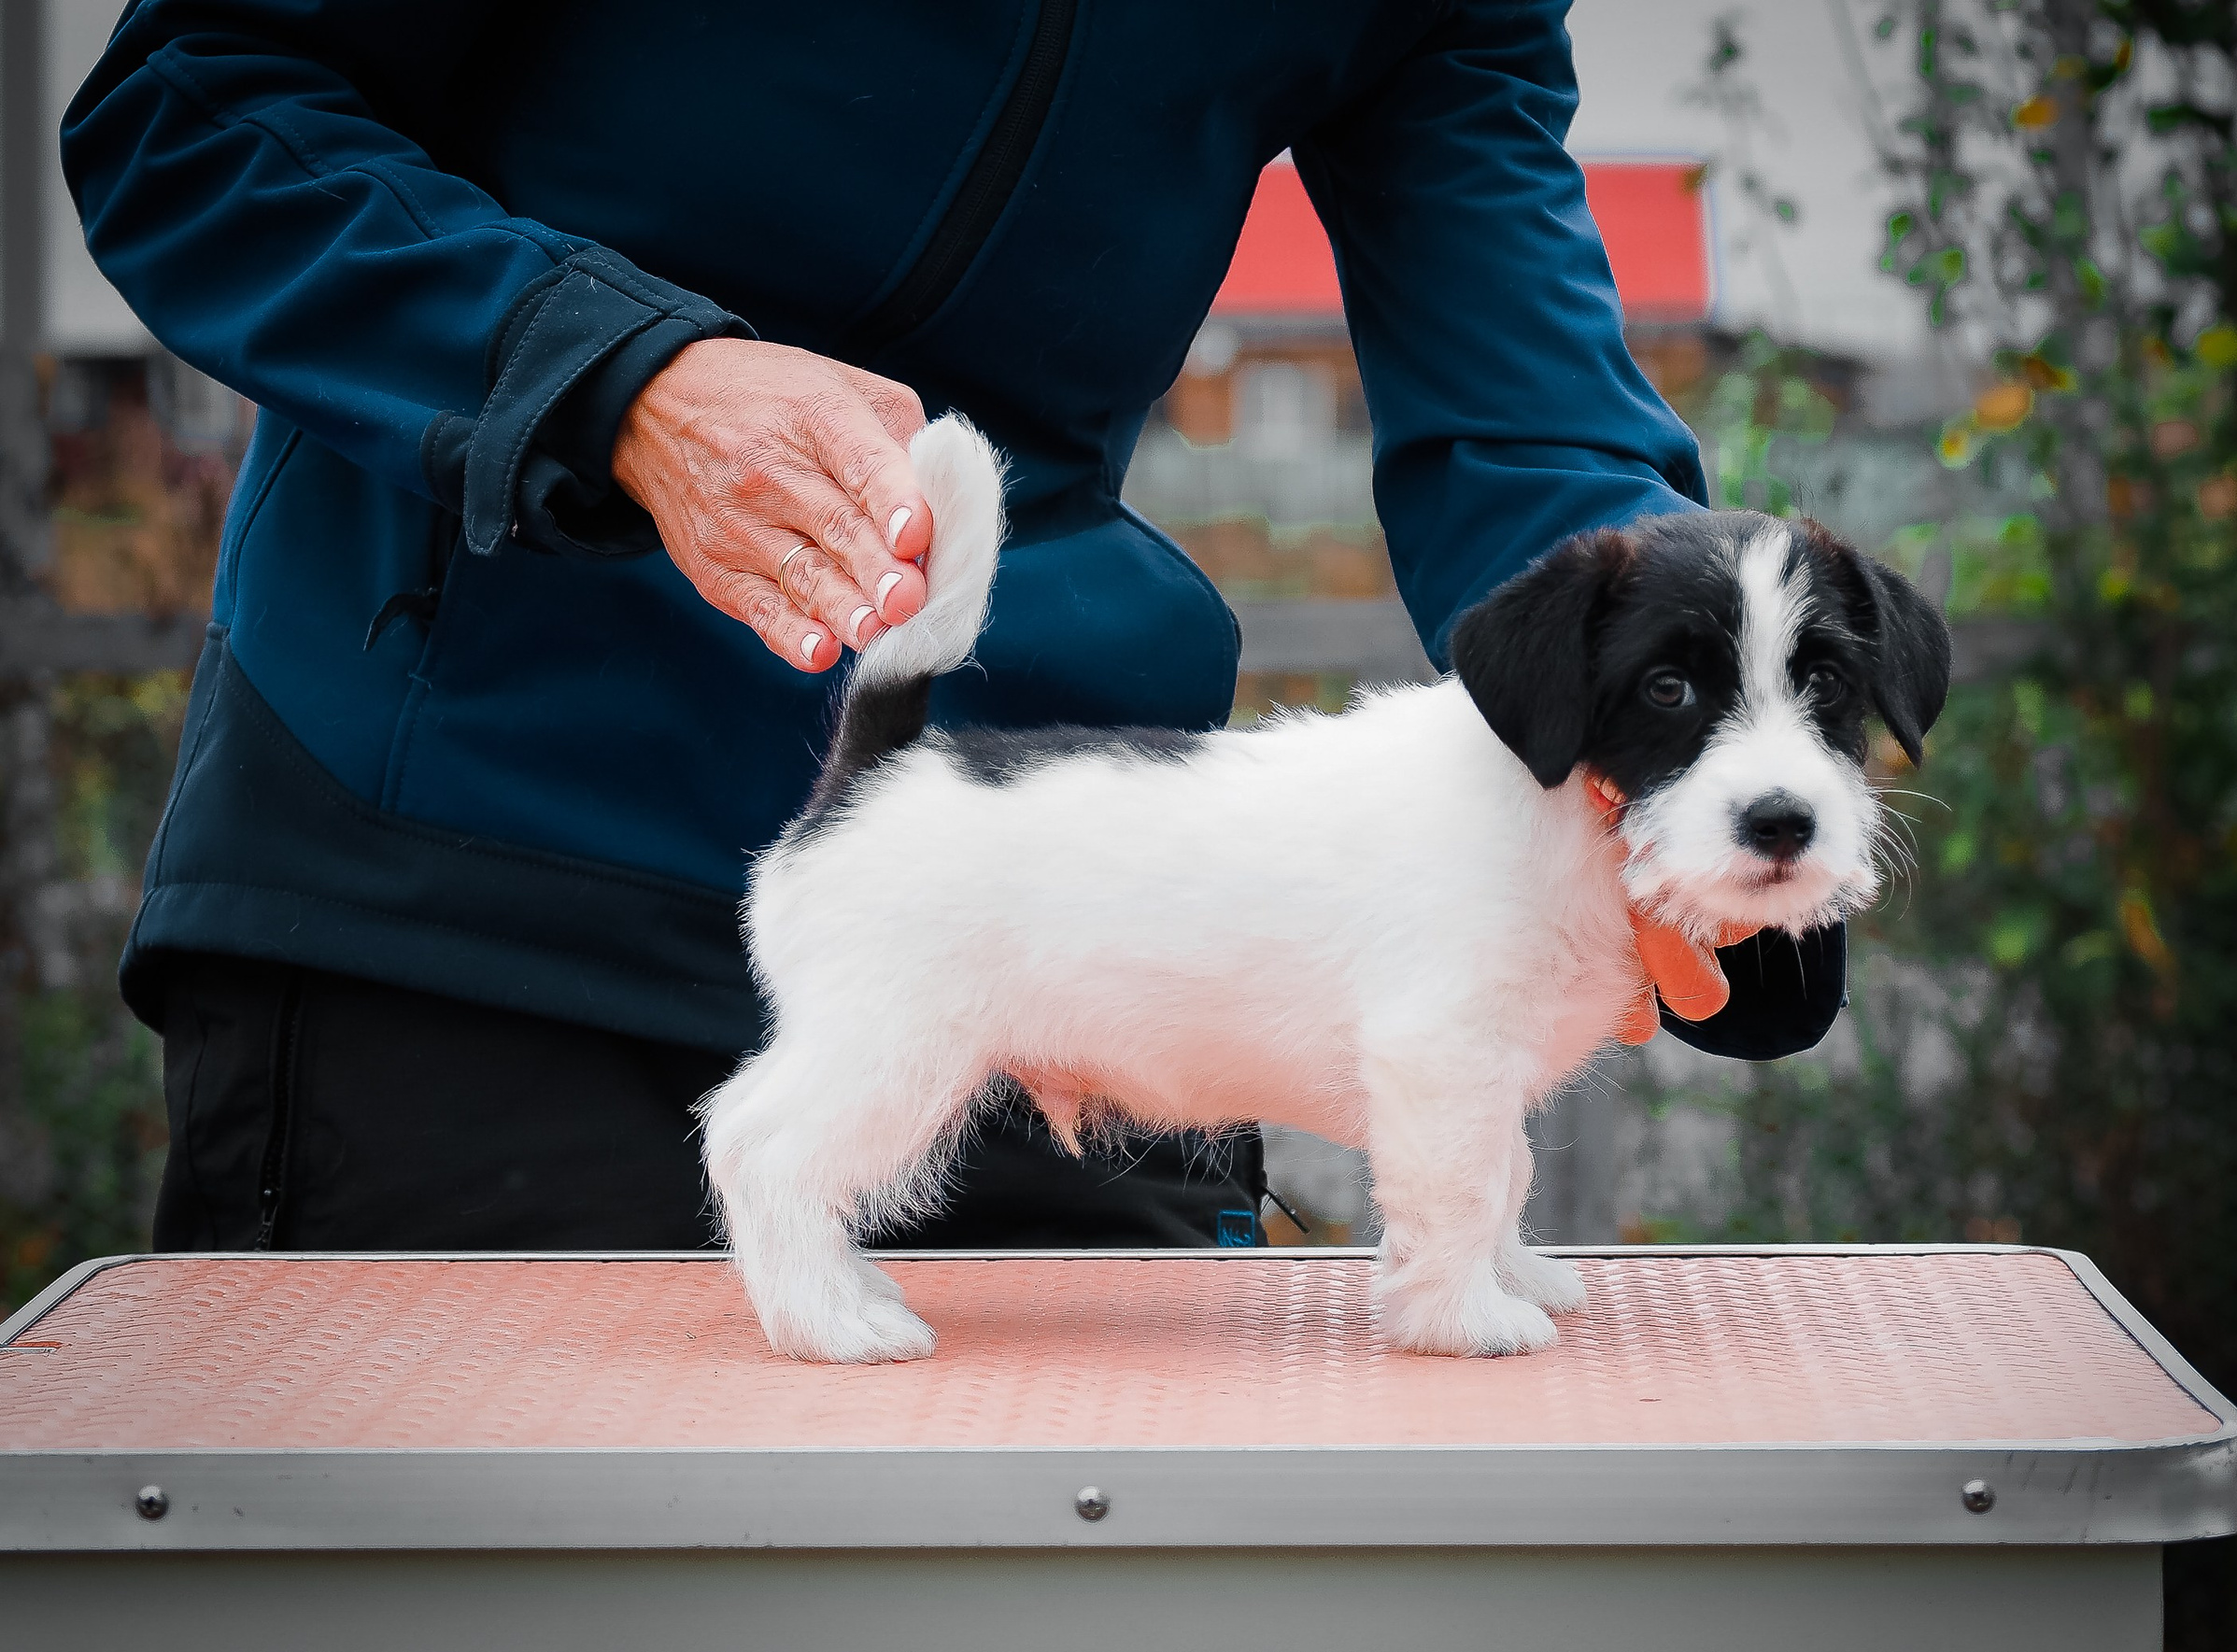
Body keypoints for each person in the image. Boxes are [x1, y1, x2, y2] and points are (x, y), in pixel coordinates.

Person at [62, 1, 1842, 1255]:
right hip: (460, 880)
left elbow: (1530, 422)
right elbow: (196, 108)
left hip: (1070, 915)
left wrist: (1676, 761)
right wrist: (618, 380)